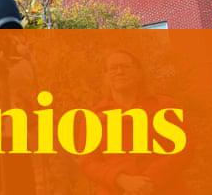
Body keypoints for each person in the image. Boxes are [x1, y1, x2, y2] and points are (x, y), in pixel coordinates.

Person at [80, 50, 188, 194]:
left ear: (139, 72)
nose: (119, 71)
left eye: (125, 66)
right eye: (113, 68)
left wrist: (150, 181)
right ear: (105, 76)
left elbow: (182, 150)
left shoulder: (165, 106)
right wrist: (120, 179)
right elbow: (88, 162)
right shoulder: (93, 117)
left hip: (163, 189)